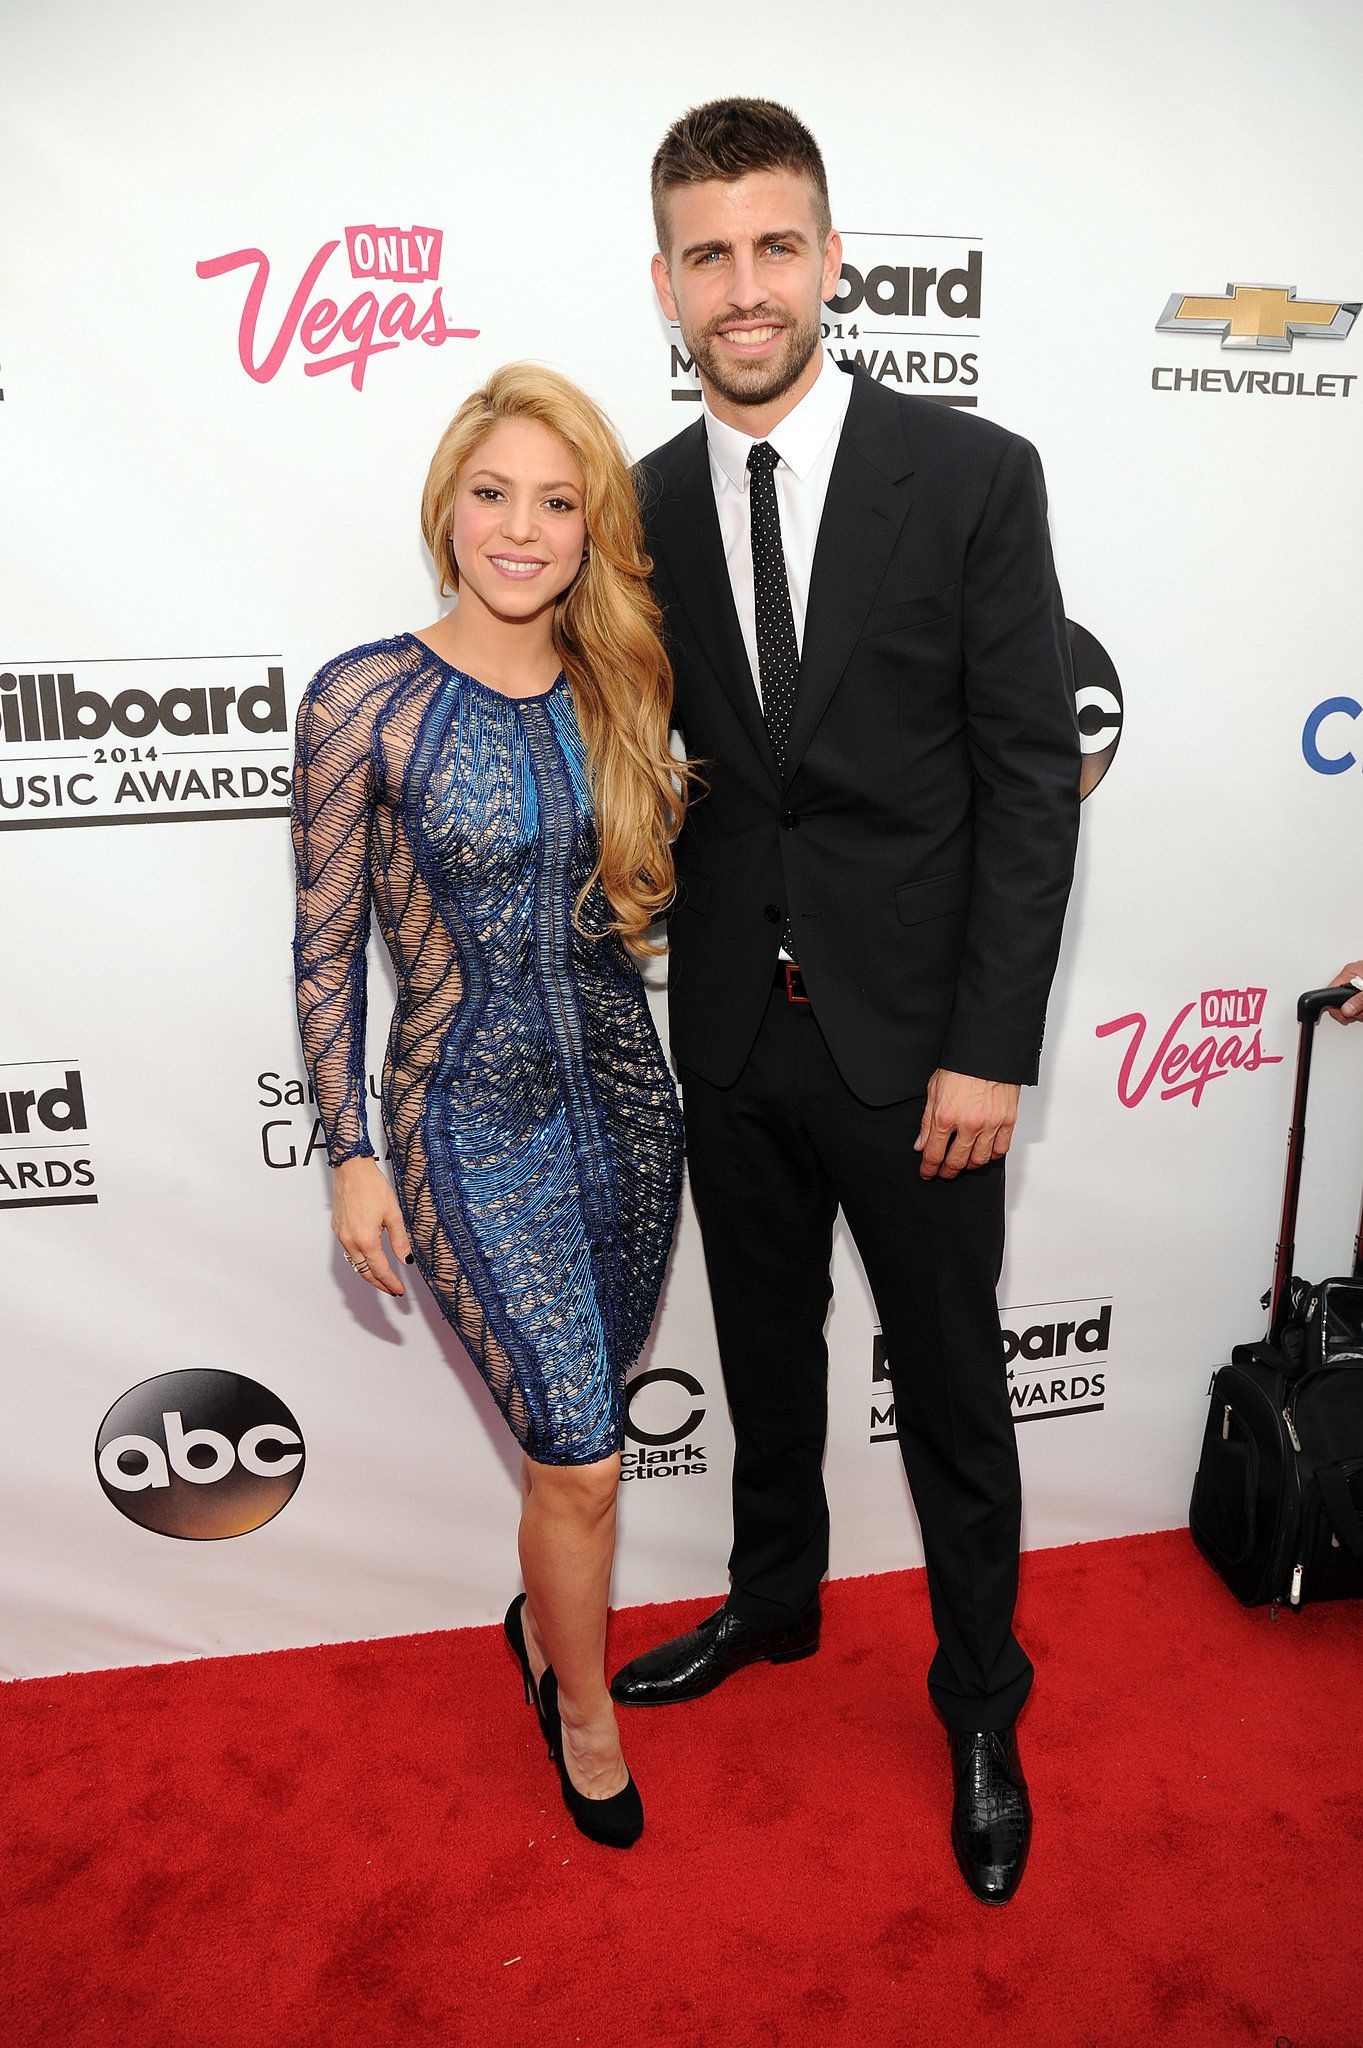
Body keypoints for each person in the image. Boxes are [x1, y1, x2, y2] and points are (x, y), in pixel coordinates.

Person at [608, 100, 1081, 1905]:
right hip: (727, 1027)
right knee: (762, 1354)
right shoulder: (633, 506)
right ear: (665, 284)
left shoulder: (971, 475)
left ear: (832, 256)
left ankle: (979, 1700)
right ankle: (776, 1599)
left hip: (919, 1048)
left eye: (776, 245)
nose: (747, 287)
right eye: (709, 255)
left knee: (956, 1386)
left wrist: (991, 1044)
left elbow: (1031, 778)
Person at [291, 363, 691, 1849]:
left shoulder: (624, 685)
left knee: (570, 1459)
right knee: (583, 1448)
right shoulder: (364, 699)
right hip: (466, 1123)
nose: (520, 529)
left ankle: (550, 1617)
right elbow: (325, 943)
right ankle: (581, 1708)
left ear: (591, 527)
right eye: (491, 493)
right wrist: (347, 1150)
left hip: (633, 1116)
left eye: (557, 501)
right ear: (446, 506)